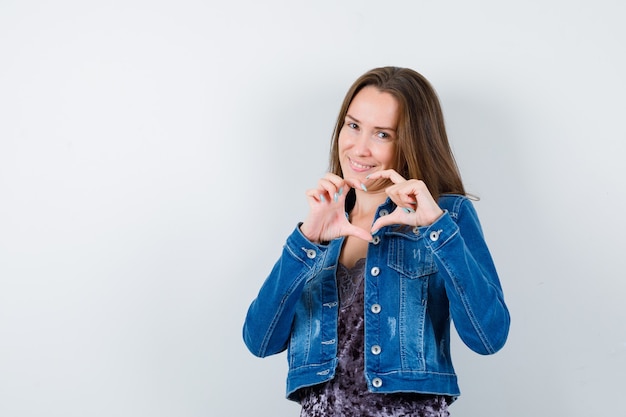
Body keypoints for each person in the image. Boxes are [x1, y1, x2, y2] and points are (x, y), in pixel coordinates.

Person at [242, 66, 510, 416]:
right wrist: (307, 241)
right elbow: (260, 341)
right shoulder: (321, 226)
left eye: (382, 134)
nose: (360, 148)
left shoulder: (447, 215)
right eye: (353, 126)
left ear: (411, 142)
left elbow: (488, 337)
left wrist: (435, 228)